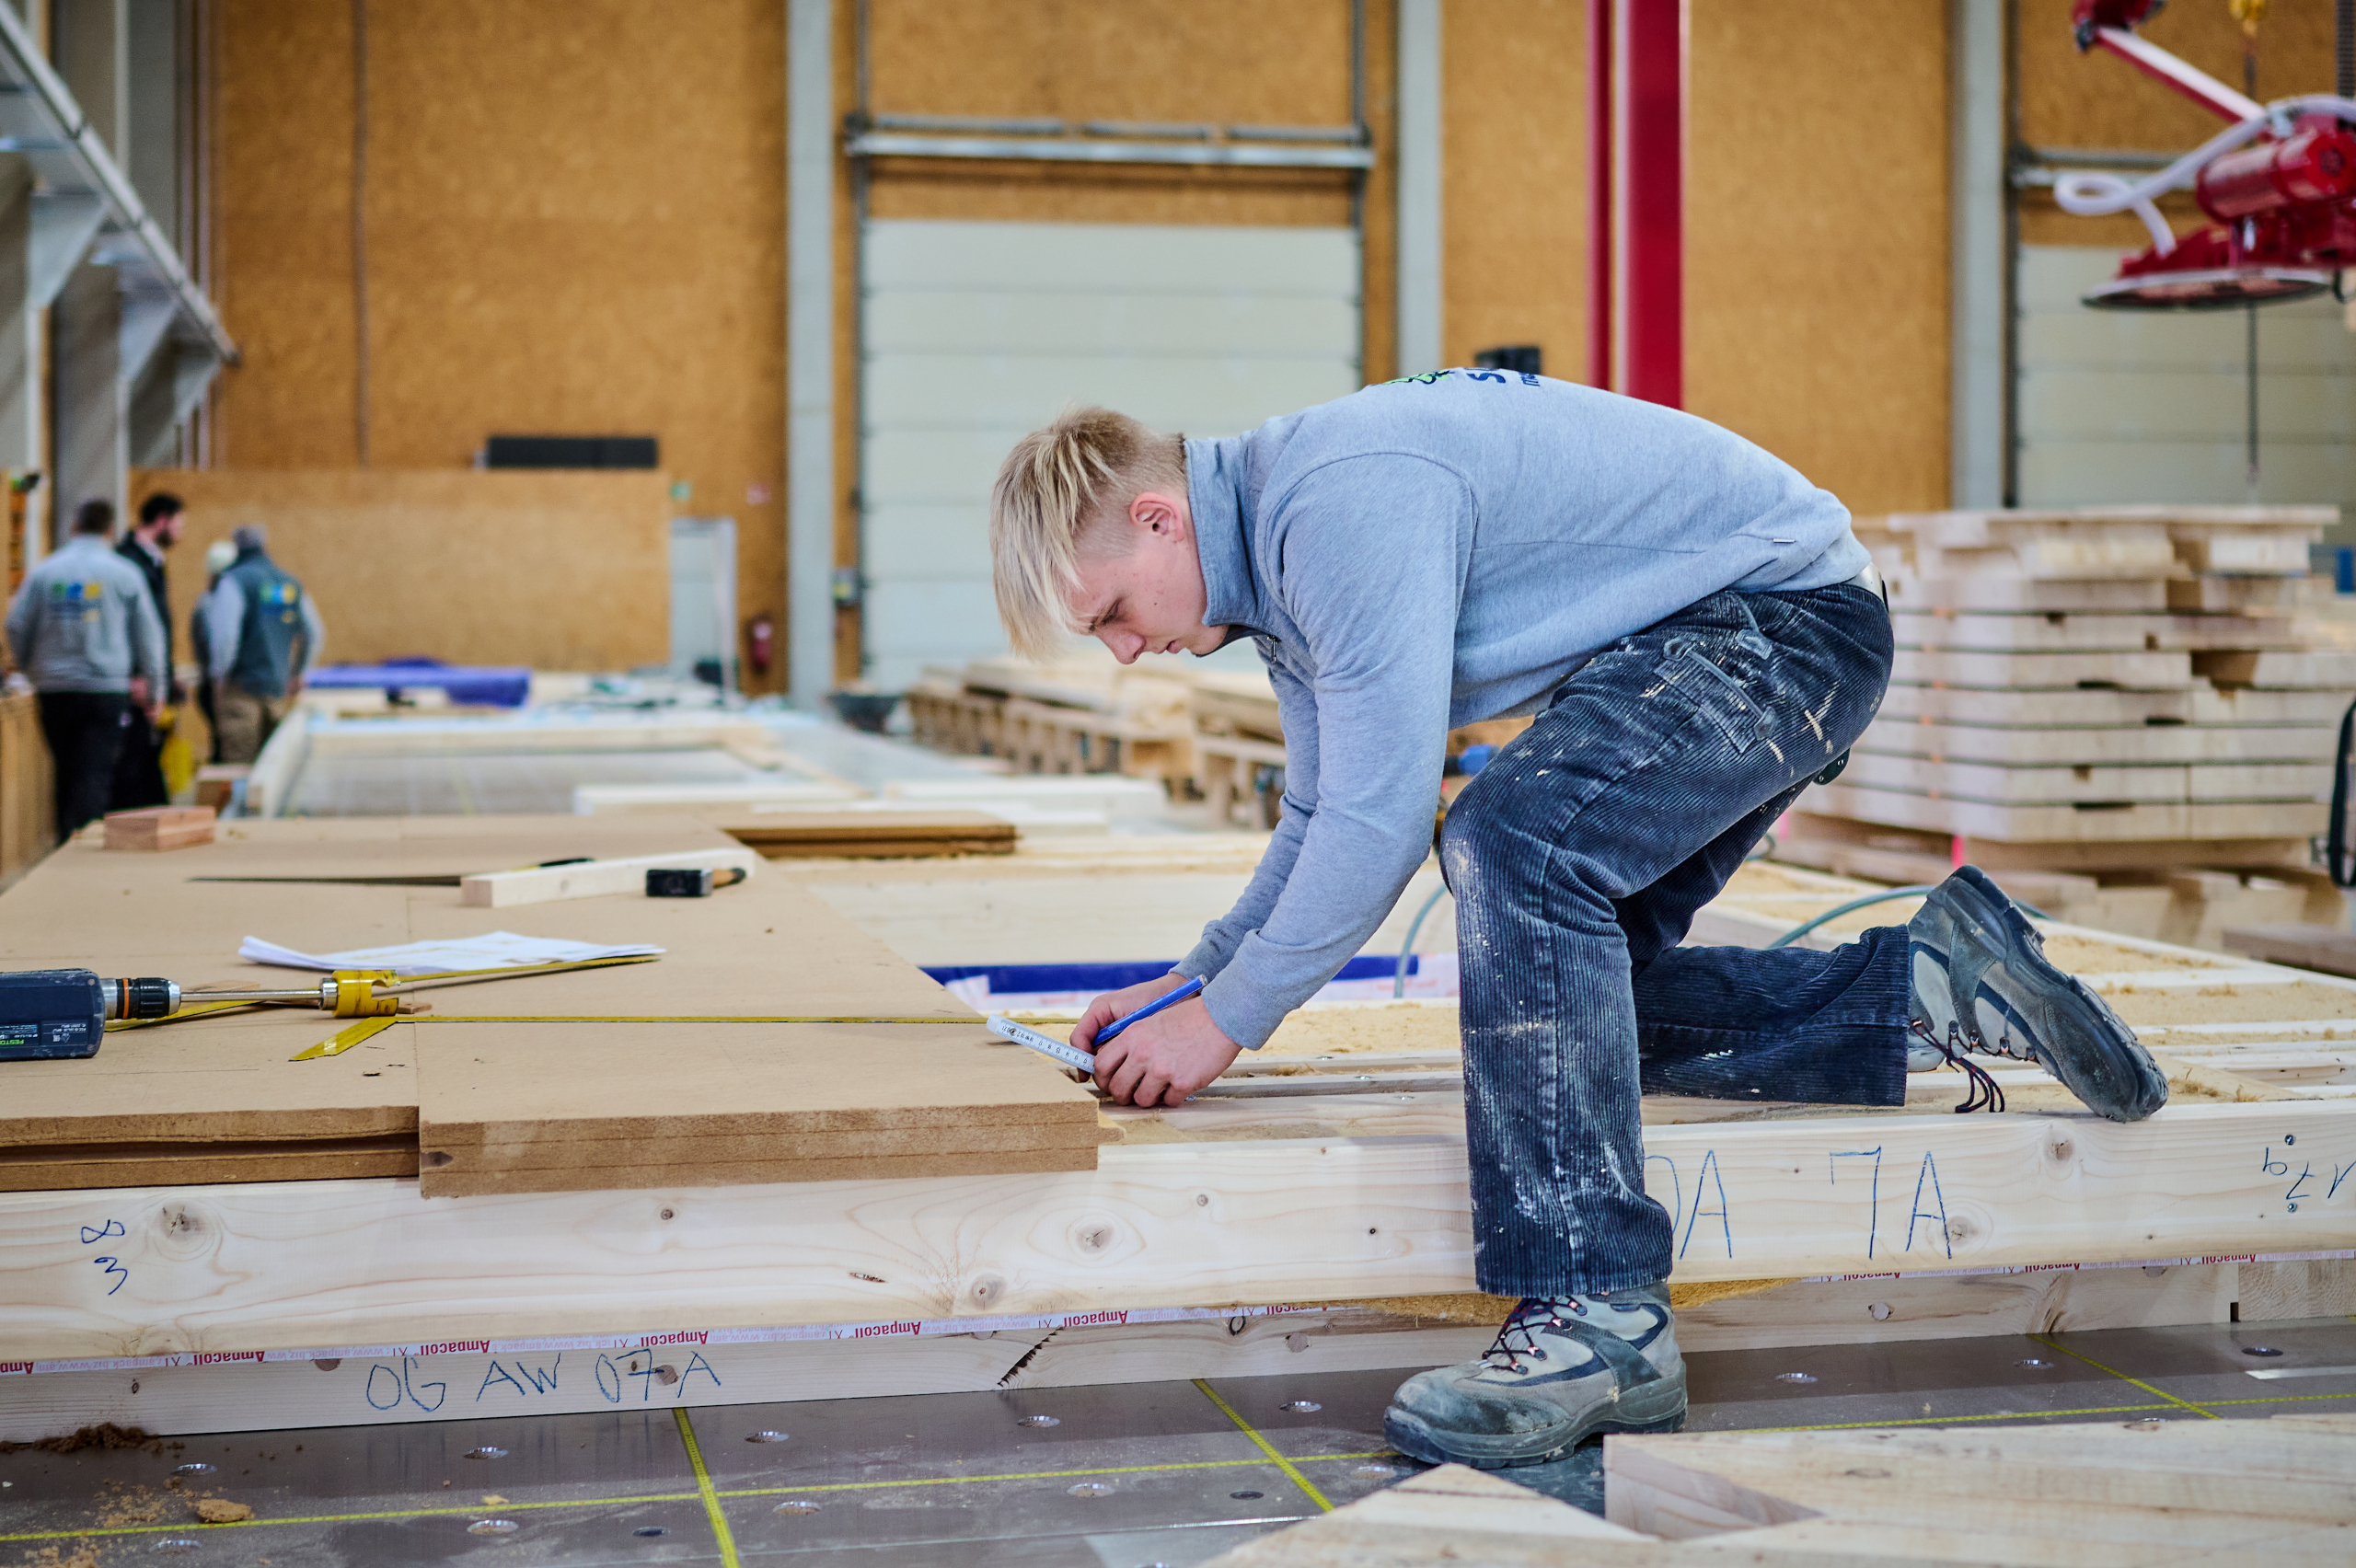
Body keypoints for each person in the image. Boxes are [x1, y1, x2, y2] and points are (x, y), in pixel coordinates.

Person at [987, 378, 2165, 1469]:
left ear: (1158, 520)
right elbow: (1318, 814)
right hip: (1723, 638)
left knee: (1514, 846)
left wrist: (1228, 1023)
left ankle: (1596, 1315)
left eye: (1114, 616)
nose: (1127, 651)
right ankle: (1930, 991)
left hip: (1783, 628)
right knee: (1558, 1009)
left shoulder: (1335, 503)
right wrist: (1189, 986)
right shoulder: (1276, 573)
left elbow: (1385, 822)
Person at [3, 498, 167, 841]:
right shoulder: (124, 573)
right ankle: (82, 846)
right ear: (110, 530)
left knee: (64, 770)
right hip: (105, 689)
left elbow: (16, 625)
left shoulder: (45, 572)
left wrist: (32, 667)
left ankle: (66, 840)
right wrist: (156, 688)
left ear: (74, 527)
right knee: (94, 772)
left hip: (55, 689)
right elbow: (149, 636)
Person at [200, 524, 323, 764]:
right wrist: (298, 673)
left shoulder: (235, 580)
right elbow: (314, 633)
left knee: (239, 768)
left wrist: (219, 677)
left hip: (241, 690)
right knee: (273, 767)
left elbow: (226, 637)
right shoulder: (288, 583)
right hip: (277, 690)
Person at [108, 491, 185, 810]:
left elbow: (157, 627)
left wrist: (166, 675)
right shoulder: (129, 561)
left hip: (150, 675)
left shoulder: (151, 560)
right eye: (179, 523)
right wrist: (141, 675)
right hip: (135, 682)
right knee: (132, 768)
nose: (181, 533)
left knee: (148, 761)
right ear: (162, 520)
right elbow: (130, 626)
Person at [189, 539, 237, 765]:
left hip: (210, 684)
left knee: (221, 746)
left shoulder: (205, 602)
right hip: (219, 685)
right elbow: (219, 647)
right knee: (227, 751)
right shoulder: (214, 604)